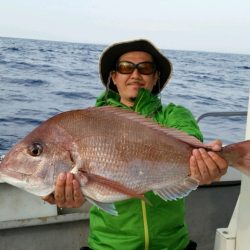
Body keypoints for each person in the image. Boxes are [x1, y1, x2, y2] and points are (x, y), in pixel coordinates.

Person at [43, 39, 228, 250]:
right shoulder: (89, 122)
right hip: (108, 246)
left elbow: (191, 144)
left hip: (172, 245)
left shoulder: (174, 115)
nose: (135, 75)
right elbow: (68, 187)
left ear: (156, 76)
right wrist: (58, 195)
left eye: (145, 68)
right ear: (113, 77)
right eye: (125, 68)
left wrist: (208, 166)